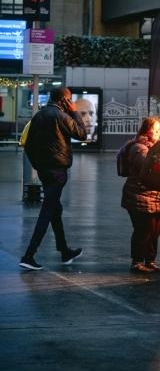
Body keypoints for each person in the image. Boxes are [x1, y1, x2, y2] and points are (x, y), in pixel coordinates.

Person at [20, 86, 87, 270]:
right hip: (58, 172)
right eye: (70, 99)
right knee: (47, 212)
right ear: (64, 100)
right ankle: (29, 255)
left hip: (44, 171)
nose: (71, 102)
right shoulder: (62, 116)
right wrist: (74, 113)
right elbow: (82, 134)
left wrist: (38, 165)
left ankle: (65, 252)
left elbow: (29, 145)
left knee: (55, 210)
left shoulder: (39, 116)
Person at [121, 117, 160, 273]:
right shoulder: (138, 147)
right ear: (147, 130)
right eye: (155, 130)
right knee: (143, 230)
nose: (158, 133)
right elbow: (149, 166)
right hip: (139, 196)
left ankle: (150, 261)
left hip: (155, 197)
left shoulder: (156, 147)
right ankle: (137, 262)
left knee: (155, 231)